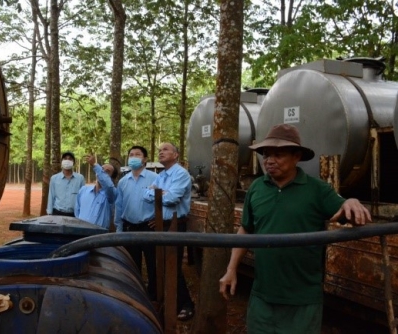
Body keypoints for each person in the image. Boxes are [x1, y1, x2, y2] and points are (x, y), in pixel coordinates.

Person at [218, 124, 372, 333]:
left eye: (278, 154)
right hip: (262, 298)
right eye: (266, 155)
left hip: (303, 301)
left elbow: (347, 211)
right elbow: (246, 230)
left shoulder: (317, 190)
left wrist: (351, 201)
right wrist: (231, 269)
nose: (269, 160)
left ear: (296, 156)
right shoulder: (256, 188)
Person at [143, 142, 195, 321]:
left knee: (173, 264)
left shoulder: (181, 174)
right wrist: (158, 193)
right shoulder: (162, 175)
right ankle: (167, 299)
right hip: (161, 223)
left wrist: (157, 193)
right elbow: (146, 194)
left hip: (175, 224)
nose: (161, 152)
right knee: (163, 264)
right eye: (159, 150)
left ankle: (186, 304)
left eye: (165, 150)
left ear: (176, 155)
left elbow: (172, 199)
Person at [115, 145, 158, 300]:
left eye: (137, 154)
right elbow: (119, 206)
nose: (133, 157)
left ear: (145, 159)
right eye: (131, 154)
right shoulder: (123, 181)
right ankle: (135, 293)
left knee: (153, 263)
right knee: (132, 264)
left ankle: (154, 295)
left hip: (148, 227)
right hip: (129, 227)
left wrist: (159, 219)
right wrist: (119, 228)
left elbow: (164, 200)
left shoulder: (155, 179)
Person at [75, 154, 118, 229]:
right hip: (81, 234)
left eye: (107, 172)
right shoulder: (83, 190)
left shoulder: (112, 194)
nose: (102, 172)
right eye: (102, 170)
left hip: (99, 237)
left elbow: (108, 185)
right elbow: (77, 212)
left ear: (111, 178)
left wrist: (95, 164)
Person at [46, 151, 85, 217]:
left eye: (70, 159)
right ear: (62, 162)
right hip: (57, 213)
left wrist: (82, 213)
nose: (67, 161)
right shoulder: (54, 178)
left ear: (73, 162)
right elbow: (51, 196)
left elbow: (82, 197)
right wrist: (49, 213)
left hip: (74, 214)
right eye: (65, 159)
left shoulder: (80, 178)